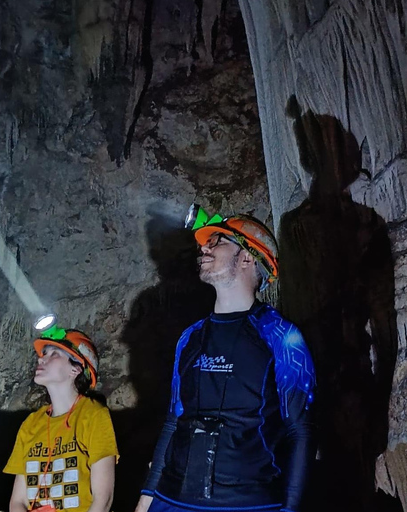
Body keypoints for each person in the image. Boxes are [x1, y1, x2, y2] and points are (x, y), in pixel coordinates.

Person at [134, 209, 316, 512]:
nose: (204, 248)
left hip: (246, 503)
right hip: (173, 498)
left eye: (216, 241)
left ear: (247, 257)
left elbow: (301, 429)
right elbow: (174, 419)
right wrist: (147, 496)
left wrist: (290, 509)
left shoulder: (281, 336)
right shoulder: (189, 337)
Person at [4, 328, 119, 512]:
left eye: (54, 354)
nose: (41, 359)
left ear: (75, 369)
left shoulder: (93, 415)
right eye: (44, 353)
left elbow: (103, 498)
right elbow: (17, 501)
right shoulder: (31, 424)